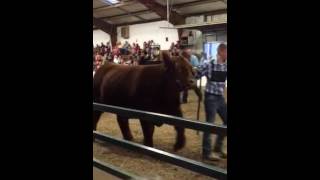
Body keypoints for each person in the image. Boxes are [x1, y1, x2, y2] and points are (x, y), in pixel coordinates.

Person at [195, 43, 227, 161]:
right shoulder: (209, 64)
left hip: (220, 98)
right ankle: (207, 152)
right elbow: (197, 74)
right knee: (210, 125)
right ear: (221, 52)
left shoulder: (226, 66)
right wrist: (196, 70)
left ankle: (218, 147)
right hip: (210, 98)